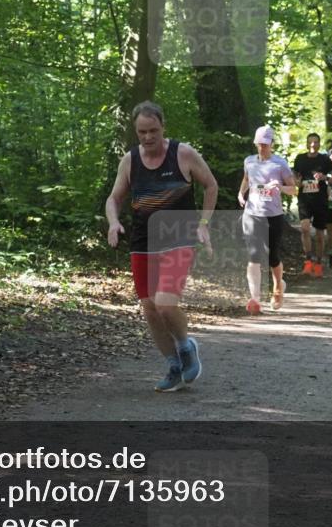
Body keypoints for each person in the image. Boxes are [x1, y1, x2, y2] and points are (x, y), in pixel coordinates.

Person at [106, 101, 218, 392]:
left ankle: (185, 346)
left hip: (178, 237)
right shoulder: (130, 160)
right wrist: (113, 222)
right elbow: (114, 198)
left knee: (166, 305)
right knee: (149, 308)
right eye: (141, 132)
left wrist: (203, 224)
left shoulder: (183, 153)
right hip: (143, 241)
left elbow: (211, 185)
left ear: (163, 126)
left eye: (153, 130)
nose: (147, 137)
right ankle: (173, 365)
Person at [238, 126, 297, 313]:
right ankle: (255, 298)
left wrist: (279, 186)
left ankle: (278, 287)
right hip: (252, 213)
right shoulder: (249, 161)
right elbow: (246, 179)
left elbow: (293, 189)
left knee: (273, 256)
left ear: (272, 144)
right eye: (259, 144)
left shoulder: (280, 164)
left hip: (273, 215)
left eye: (265, 144)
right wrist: (241, 194)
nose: (262, 147)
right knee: (254, 254)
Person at [292, 133, 332, 278]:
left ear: (319, 144)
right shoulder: (300, 158)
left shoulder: (324, 159)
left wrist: (325, 177)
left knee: (320, 235)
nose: (313, 145)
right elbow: (294, 175)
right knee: (304, 229)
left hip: (321, 200)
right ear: (306, 143)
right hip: (305, 199)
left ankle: (319, 263)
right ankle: (308, 261)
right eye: (310, 142)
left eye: (315, 142)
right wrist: (296, 182)